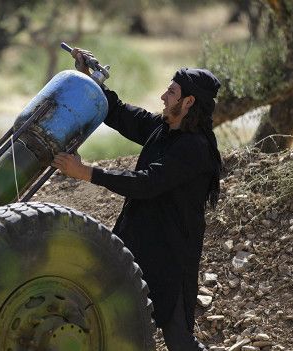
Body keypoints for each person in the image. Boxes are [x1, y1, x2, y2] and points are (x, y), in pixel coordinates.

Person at [51, 47, 222, 351]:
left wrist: (86, 172)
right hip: (134, 246)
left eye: (171, 92)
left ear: (188, 102)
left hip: (170, 259)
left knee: (180, 342)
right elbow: (117, 112)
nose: (163, 97)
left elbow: (147, 184)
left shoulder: (194, 149)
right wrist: (89, 78)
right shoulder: (163, 129)